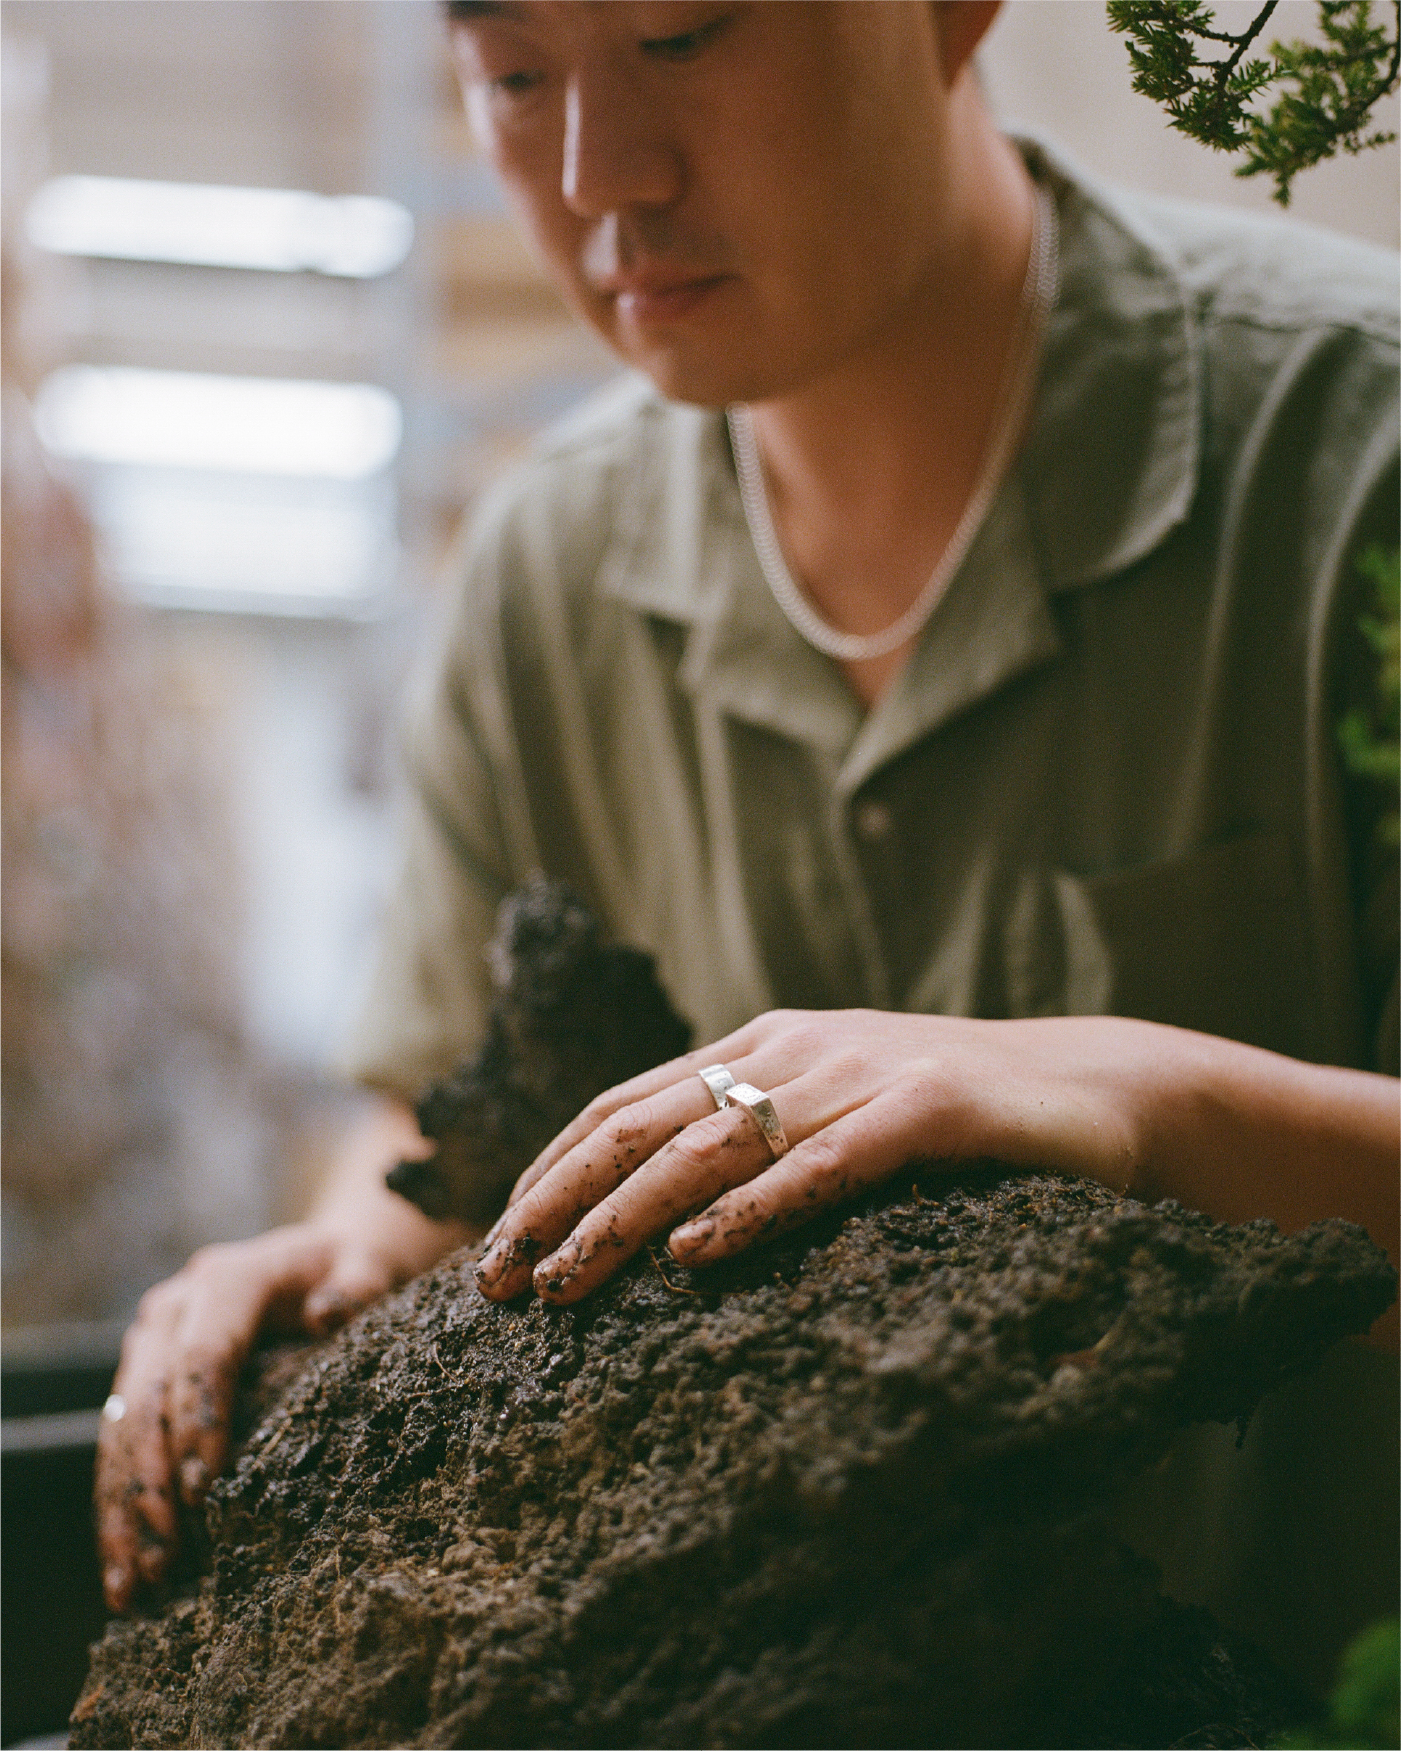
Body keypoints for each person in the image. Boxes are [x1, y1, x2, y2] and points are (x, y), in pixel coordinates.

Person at [97, 0, 1401, 1677]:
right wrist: (352, 1252)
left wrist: (1147, 1099)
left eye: (685, 34)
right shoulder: (545, 579)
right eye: (513, 75)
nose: (598, 176)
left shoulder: (1355, 461)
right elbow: (443, 1120)